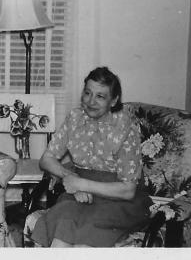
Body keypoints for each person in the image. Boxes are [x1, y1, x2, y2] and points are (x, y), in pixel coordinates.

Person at [32, 66, 151, 247]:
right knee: (63, 226)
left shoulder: (125, 128)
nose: (91, 101)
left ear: (114, 100)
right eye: (87, 93)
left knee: (84, 240)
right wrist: (72, 179)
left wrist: (83, 184)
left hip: (118, 200)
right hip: (81, 196)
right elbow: (46, 159)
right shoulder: (74, 118)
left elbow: (128, 191)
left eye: (100, 96)